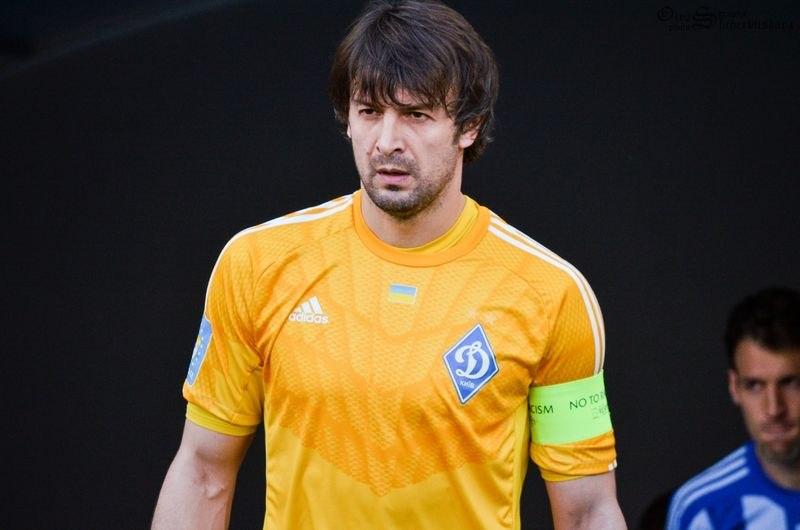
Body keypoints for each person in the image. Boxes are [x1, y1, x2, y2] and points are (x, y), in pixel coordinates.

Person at [152, 1, 625, 528]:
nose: (387, 142)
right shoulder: (257, 263)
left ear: (469, 126)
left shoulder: (551, 293)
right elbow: (203, 471)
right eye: (370, 112)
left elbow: (587, 513)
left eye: (416, 114)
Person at [666, 287, 800, 529]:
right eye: (755, 385)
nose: (774, 409)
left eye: (790, 383)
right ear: (734, 387)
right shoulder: (702, 510)